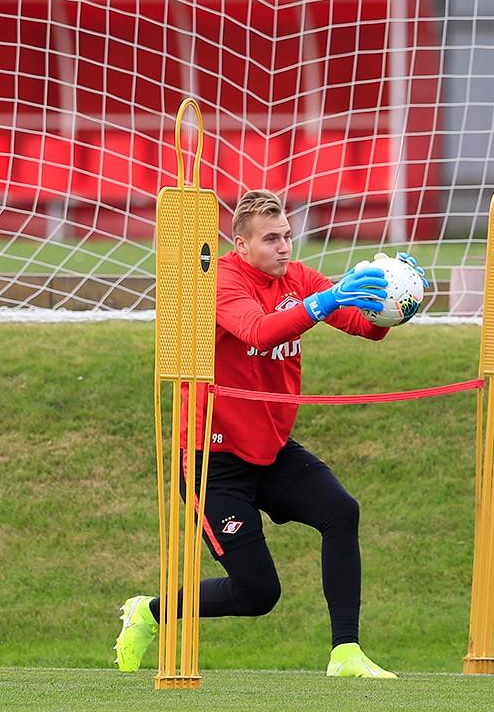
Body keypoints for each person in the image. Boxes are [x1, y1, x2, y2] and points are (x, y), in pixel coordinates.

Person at [115, 189, 428, 678]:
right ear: (240, 244)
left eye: (286, 236)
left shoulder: (299, 277)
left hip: (272, 449)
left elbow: (366, 328)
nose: (284, 247)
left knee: (341, 511)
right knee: (259, 593)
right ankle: (150, 613)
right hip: (212, 460)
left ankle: (345, 652)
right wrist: (326, 300)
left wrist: (396, 302)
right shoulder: (218, 279)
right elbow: (260, 331)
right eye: (270, 239)